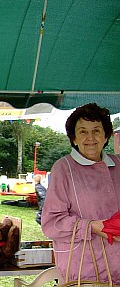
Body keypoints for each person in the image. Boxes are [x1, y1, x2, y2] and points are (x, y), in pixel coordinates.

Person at [41, 103, 120, 284]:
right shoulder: (64, 168)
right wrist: (90, 226)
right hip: (83, 269)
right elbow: (51, 223)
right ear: (74, 138)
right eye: (83, 131)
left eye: (96, 130)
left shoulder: (118, 165)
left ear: (106, 135)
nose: (90, 137)